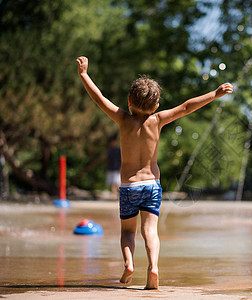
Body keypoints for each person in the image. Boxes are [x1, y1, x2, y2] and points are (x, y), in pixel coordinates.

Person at [76, 56, 233, 289]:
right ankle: (154, 267)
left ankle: (129, 264)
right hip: (151, 185)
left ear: (129, 101)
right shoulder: (158, 120)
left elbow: (99, 98)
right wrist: (215, 93)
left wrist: (84, 74)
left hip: (129, 186)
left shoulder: (121, 119)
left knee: (128, 232)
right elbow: (187, 106)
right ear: (157, 106)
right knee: (150, 230)